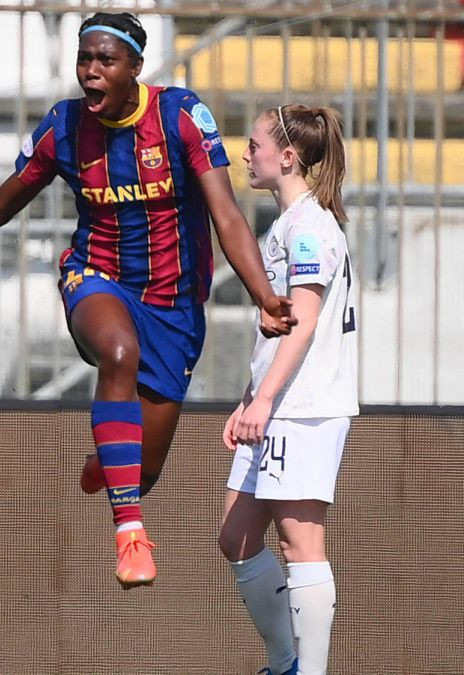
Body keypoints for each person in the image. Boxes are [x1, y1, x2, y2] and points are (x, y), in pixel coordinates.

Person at [0, 11, 296, 589]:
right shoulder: (63, 127)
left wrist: (264, 296)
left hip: (174, 302)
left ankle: (114, 461)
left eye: (106, 61)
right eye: (84, 60)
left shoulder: (178, 117)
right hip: (93, 277)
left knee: (142, 469)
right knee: (118, 352)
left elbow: (226, 213)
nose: (91, 72)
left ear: (135, 68)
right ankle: (130, 535)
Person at [218, 104, 356, 675]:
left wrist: (268, 397)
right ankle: (284, 660)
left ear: (288, 157)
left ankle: (308, 670)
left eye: (254, 145)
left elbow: (302, 320)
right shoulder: (286, 224)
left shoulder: (310, 228)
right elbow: (277, 332)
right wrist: (250, 396)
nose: (245, 154)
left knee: (302, 544)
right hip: (276, 403)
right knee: (237, 535)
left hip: (303, 409)